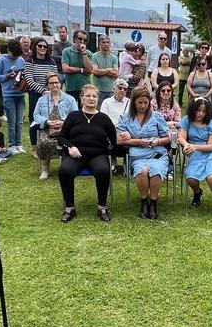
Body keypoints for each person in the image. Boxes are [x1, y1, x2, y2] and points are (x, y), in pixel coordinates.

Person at [56, 85, 116, 222]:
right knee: (64, 171)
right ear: (81, 98)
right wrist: (70, 147)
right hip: (76, 154)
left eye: (94, 96)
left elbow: (113, 138)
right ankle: (69, 208)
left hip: (97, 155)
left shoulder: (103, 118)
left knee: (103, 170)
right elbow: (61, 137)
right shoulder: (73, 116)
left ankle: (102, 207)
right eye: (88, 96)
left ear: (98, 99)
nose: (91, 98)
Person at [117, 86, 172, 219]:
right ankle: (143, 201)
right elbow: (118, 140)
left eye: (145, 103)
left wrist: (157, 141)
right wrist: (138, 141)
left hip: (156, 152)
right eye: (139, 103)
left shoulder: (156, 116)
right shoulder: (125, 118)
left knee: (155, 170)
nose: (143, 106)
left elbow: (168, 138)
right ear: (133, 102)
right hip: (137, 154)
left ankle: (153, 202)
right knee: (143, 171)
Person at [179, 97, 212, 216]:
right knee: (191, 178)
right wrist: (187, 144)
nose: (201, 114)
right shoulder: (187, 120)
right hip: (195, 153)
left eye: (204, 111)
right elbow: (181, 137)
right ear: (193, 109)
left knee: (211, 176)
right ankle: (197, 192)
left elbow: (211, 146)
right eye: (198, 110)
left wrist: (195, 147)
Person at [33, 72, 77, 180]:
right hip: (48, 129)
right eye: (51, 83)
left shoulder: (70, 99)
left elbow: (76, 115)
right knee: (44, 142)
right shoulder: (41, 100)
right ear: (47, 85)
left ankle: (68, 167)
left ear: (60, 83)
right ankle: (45, 170)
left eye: (56, 82)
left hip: (65, 129)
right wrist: (46, 122)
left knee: (69, 141)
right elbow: (35, 115)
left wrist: (63, 122)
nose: (54, 85)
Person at [0, 38, 28, 155]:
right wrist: (7, 76)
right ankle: (12, 145)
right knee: (12, 122)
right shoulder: (2, 60)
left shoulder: (21, 60)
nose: (15, 57)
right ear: (8, 50)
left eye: (17, 55)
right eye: (14, 55)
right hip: (8, 95)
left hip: (20, 94)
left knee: (19, 122)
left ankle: (19, 144)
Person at [24, 37, 60, 149]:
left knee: (50, 118)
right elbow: (29, 80)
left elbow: (55, 77)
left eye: (45, 46)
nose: (42, 48)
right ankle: (34, 146)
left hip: (51, 94)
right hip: (35, 94)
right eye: (40, 46)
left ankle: (49, 142)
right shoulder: (30, 62)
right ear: (35, 47)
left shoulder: (51, 61)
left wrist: (51, 91)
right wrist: (43, 91)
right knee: (35, 120)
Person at [61, 29, 91, 104]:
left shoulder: (89, 53)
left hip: (85, 88)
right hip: (71, 88)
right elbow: (65, 69)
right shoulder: (66, 51)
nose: (82, 41)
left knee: (84, 111)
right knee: (71, 112)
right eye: (80, 39)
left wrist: (84, 53)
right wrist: (82, 70)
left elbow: (89, 70)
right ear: (75, 39)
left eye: (85, 40)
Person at [87, 34, 119, 100]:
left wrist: (101, 72)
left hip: (111, 90)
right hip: (98, 90)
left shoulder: (114, 57)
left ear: (110, 44)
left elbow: (116, 74)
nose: (106, 44)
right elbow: (95, 71)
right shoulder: (94, 56)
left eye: (107, 42)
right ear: (99, 44)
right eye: (103, 42)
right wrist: (109, 70)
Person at [177, 42, 200, 107]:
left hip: (189, 77)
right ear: (182, 51)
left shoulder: (191, 57)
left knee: (189, 91)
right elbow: (181, 62)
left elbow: (190, 62)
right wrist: (187, 62)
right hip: (181, 77)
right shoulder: (180, 57)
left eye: (187, 51)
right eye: (184, 51)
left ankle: (190, 103)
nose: (186, 52)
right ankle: (180, 103)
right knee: (180, 92)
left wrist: (186, 62)